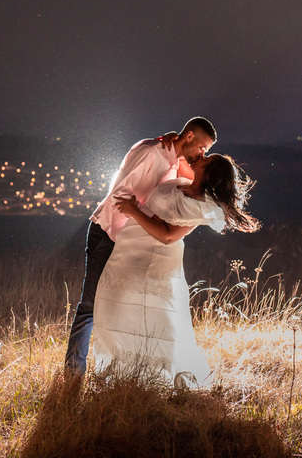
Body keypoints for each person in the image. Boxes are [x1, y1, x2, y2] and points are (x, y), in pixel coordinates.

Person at [63, 117, 217, 374]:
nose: (203, 153)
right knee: (91, 306)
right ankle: (73, 373)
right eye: (202, 147)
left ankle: (116, 371)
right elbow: (120, 196)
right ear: (189, 136)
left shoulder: (175, 161)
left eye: (207, 151)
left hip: (129, 242)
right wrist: (145, 216)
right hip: (109, 232)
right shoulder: (149, 153)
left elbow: (194, 185)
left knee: (116, 307)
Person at [92, 153, 260, 387]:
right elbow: (180, 157)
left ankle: (152, 375)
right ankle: (122, 367)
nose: (202, 156)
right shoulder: (183, 183)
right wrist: (175, 145)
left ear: (208, 172)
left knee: (154, 313)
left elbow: (168, 236)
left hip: (156, 257)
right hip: (130, 247)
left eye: (206, 157)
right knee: (117, 304)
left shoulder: (198, 206)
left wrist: (133, 210)